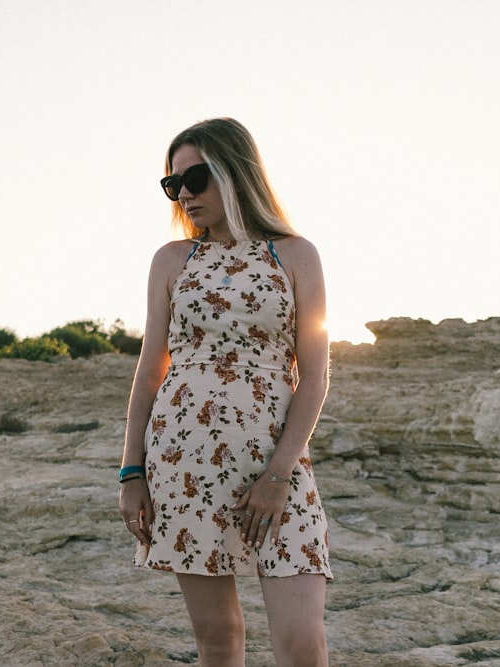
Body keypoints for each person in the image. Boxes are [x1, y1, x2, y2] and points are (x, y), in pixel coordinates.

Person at [118, 117, 332, 667]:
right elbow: (149, 372)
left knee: (303, 646)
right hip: (184, 463)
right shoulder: (172, 261)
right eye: (173, 184)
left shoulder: (295, 255)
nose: (184, 194)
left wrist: (281, 473)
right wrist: (131, 471)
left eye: (196, 178)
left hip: (277, 464)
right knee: (218, 641)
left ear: (236, 172)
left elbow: (315, 375)